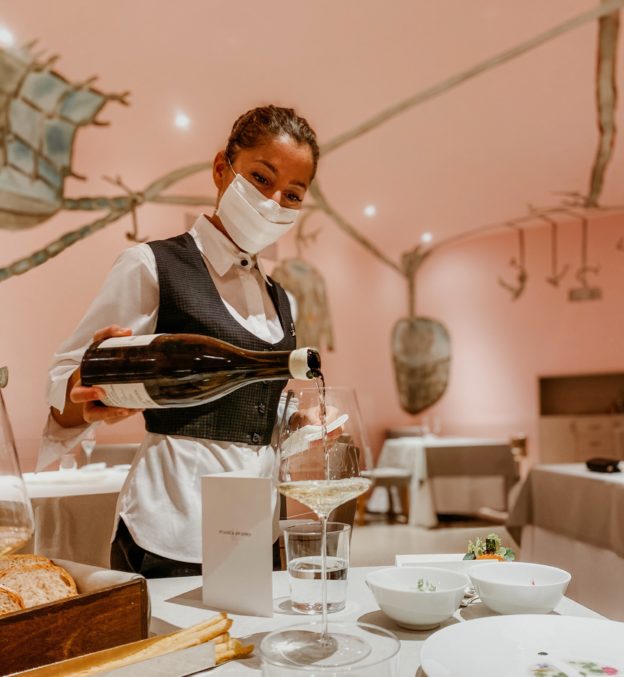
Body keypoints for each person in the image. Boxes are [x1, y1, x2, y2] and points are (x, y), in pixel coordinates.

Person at [40, 105, 320, 577]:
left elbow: (252, 413)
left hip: (256, 528)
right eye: (260, 178)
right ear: (220, 170)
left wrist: (296, 420)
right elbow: (65, 386)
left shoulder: (281, 298)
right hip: (169, 525)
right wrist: (83, 394)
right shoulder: (151, 265)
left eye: (292, 194)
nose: (273, 201)